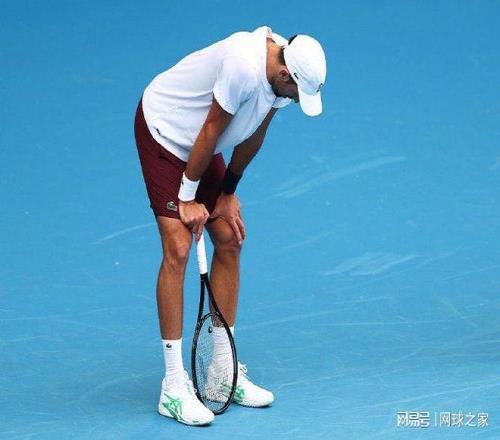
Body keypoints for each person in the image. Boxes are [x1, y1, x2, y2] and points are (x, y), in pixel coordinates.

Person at [134, 25, 326, 426]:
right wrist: (187, 198)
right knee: (178, 247)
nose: (296, 99)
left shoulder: (282, 73)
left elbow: (253, 135)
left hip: (204, 141)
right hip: (166, 134)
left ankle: (222, 374)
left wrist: (227, 191)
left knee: (229, 237)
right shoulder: (243, 66)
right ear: (285, 74)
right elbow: (210, 130)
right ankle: (173, 387)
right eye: (296, 93)